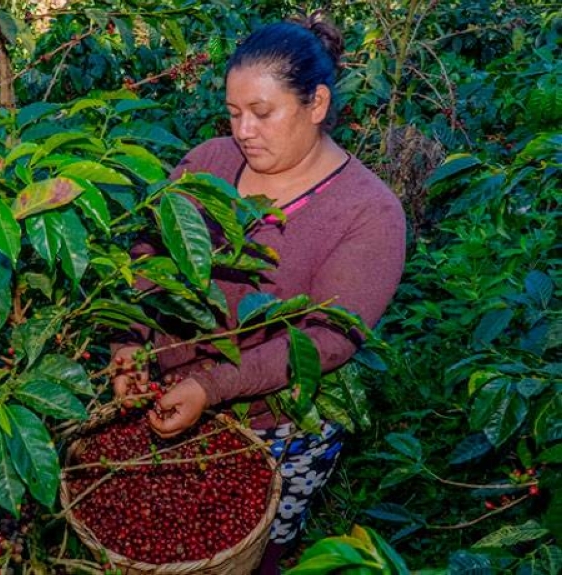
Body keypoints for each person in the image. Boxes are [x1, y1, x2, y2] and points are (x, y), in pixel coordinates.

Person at [109, 12, 407, 574]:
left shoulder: (369, 213)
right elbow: (149, 256)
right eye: (234, 113)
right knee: (156, 527)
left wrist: (212, 384)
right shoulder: (208, 162)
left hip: (277, 421)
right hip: (168, 389)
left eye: (262, 114)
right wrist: (129, 341)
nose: (244, 130)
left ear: (316, 104)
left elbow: (328, 339)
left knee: (253, 545)